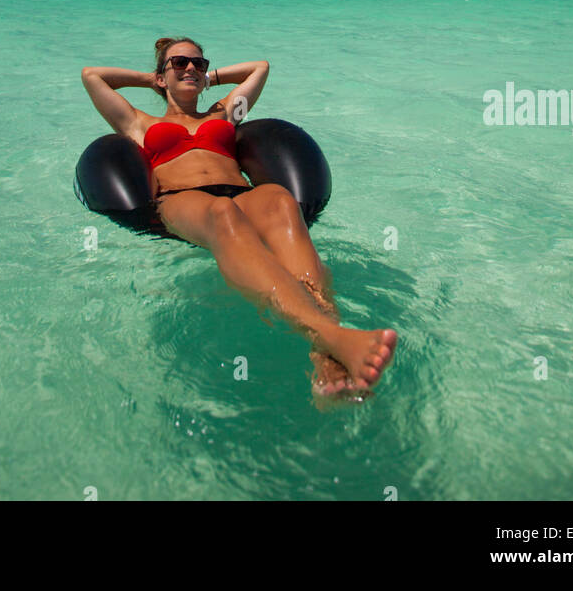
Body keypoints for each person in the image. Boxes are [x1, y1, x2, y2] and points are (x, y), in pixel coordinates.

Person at [81, 36, 397, 402]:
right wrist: (153, 78)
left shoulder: (225, 111)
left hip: (241, 194)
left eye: (198, 64)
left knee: (281, 200)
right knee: (222, 213)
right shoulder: (138, 122)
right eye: (179, 62)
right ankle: (330, 333)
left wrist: (209, 78)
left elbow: (259, 68)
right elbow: (92, 76)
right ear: (161, 76)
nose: (190, 69)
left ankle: (326, 356)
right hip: (183, 200)